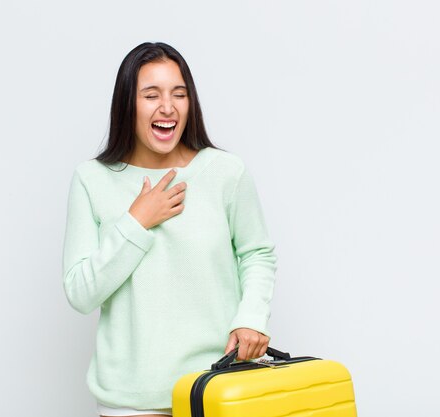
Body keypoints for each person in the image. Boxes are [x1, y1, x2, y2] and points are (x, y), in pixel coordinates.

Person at [62, 42, 278, 417]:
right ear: (127, 104)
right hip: (130, 401)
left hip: (217, 387)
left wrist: (251, 319)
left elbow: (256, 253)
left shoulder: (226, 172)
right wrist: (136, 222)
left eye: (179, 94)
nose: (168, 107)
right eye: (151, 95)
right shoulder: (91, 180)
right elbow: (81, 293)